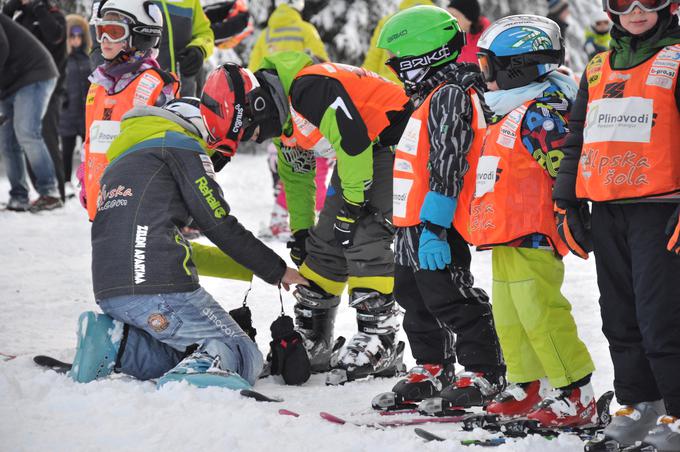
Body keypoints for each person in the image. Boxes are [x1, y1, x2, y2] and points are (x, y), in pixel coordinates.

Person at [200, 51, 414, 385]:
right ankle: (315, 335)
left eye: (251, 133)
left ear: (258, 106)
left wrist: (353, 206)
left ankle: (379, 337)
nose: (256, 139)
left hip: (396, 143)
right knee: (325, 241)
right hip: (361, 156)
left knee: (364, 232)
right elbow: (298, 177)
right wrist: (301, 232)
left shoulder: (310, 89)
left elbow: (354, 142)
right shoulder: (285, 118)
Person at [68, 97, 307, 389]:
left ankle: (113, 342)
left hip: (111, 292)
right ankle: (203, 368)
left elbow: (158, 240)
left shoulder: (122, 160)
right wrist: (277, 270)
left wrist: (249, 269)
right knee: (243, 355)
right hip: (159, 289)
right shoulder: (182, 145)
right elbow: (219, 223)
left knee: (180, 351)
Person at [553, 0, 680, 449]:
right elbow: (577, 134)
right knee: (620, 316)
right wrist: (566, 200)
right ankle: (640, 402)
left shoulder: (678, 56)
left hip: (660, 210)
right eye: (624, 2)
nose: (638, 10)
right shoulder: (596, 66)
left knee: (662, 317)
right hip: (607, 208)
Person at [375, 5, 505, 410]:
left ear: (423, 54)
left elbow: (448, 161)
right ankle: (433, 366)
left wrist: (434, 226)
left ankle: (486, 371)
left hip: (437, 221)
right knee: (411, 296)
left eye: (399, 60)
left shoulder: (449, 95)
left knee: (449, 296)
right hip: (411, 222)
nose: (394, 67)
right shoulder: (428, 95)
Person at [469, 15, 596, 427]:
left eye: (488, 67)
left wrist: (570, 213)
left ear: (516, 68)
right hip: (504, 235)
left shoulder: (540, 112)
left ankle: (576, 392)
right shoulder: (506, 111)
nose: (483, 76)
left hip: (533, 235)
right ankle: (528, 385)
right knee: (509, 316)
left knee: (540, 314)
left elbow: (566, 167)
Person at [80, 0, 179, 221]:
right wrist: (86, 177)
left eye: (114, 32)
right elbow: (91, 139)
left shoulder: (156, 85)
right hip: (101, 201)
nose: (105, 39)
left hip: (140, 205)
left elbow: (172, 149)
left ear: (140, 36)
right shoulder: (98, 85)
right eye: (101, 30)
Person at [3, 0, 67, 203]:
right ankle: (19, 196)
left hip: (37, 74)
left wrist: (38, 7)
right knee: (7, 141)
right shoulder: (19, 17)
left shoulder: (52, 14)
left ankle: (50, 192)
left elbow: (1, 47)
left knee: (28, 133)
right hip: (11, 81)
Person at [91, 0, 213, 97]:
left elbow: (204, 33)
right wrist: (111, 85)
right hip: (137, 92)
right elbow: (100, 43)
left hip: (184, 89)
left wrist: (199, 49)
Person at [362, 0, 434, 85]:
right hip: (425, 90)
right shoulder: (437, 20)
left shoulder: (388, 22)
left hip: (388, 89)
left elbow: (373, 60)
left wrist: (364, 83)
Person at [59, 14, 92, 196]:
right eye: (72, 36)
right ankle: (65, 181)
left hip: (85, 114)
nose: (76, 40)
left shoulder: (88, 60)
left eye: (79, 36)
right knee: (66, 150)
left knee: (88, 150)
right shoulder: (62, 59)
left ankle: (88, 180)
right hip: (67, 114)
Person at [247, 0, 327, 72]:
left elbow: (253, 68)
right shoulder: (306, 29)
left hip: (272, 86)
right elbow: (322, 63)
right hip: (301, 85)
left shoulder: (265, 34)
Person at [447, 0, 490, 64]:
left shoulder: (488, 44)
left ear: (469, 19)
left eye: (454, 16)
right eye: (447, 16)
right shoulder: (445, 38)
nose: (448, 21)